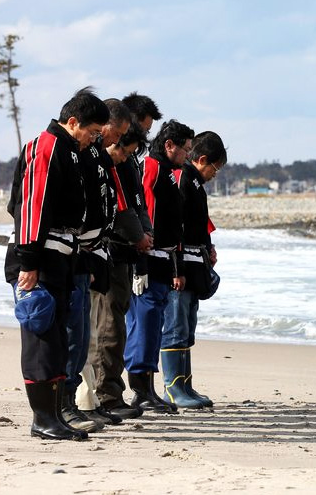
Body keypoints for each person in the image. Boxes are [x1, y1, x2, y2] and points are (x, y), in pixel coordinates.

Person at [4, 87, 109, 441]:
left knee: (59, 340)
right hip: (40, 257)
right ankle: (43, 419)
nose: (93, 139)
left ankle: (53, 415)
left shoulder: (70, 152)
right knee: (42, 338)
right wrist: (28, 262)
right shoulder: (46, 147)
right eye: (92, 132)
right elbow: (31, 207)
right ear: (73, 122)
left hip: (63, 256)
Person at [62, 98, 132, 432]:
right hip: (77, 254)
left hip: (93, 253)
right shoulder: (73, 154)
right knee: (80, 336)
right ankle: (76, 403)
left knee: (84, 334)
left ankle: (87, 403)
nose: (115, 143)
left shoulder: (96, 157)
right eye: (115, 136)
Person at [79, 121, 148, 422]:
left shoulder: (117, 163)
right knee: (105, 327)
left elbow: (135, 204)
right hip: (107, 252)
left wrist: (143, 234)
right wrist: (139, 236)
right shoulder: (99, 161)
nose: (124, 155)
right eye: (122, 145)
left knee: (110, 326)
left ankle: (104, 394)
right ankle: (103, 395)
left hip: (113, 251)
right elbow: (122, 208)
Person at [125, 119, 194, 413]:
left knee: (154, 328)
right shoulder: (152, 167)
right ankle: (141, 391)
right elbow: (146, 216)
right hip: (150, 260)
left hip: (164, 260)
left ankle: (149, 389)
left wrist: (176, 266)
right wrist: (141, 265)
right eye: (185, 149)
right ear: (169, 145)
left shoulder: (168, 171)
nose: (188, 155)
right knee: (144, 325)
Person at [161, 131, 227, 409]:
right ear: (202, 160)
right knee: (176, 327)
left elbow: (200, 224)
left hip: (194, 265)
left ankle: (185, 384)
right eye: (215, 168)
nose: (215, 174)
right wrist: (177, 269)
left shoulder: (196, 184)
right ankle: (173, 388)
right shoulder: (182, 179)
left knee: (187, 327)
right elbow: (175, 226)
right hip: (180, 268)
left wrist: (208, 247)